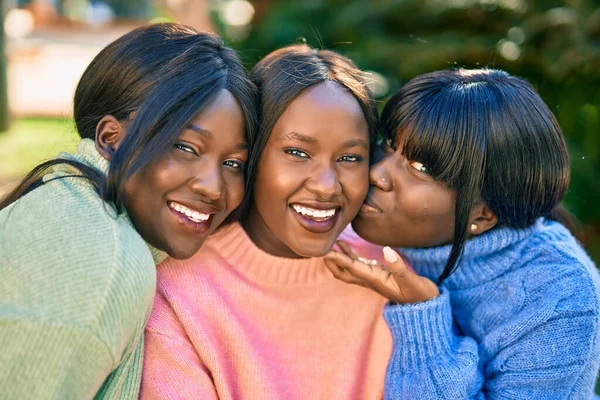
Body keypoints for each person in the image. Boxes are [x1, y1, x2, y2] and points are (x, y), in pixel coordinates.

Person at [0, 23, 257, 399]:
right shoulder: (106, 262)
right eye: (185, 147)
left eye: (234, 164)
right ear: (110, 139)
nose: (213, 187)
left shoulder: (64, 197)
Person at [325, 68, 600, 399]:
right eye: (389, 145)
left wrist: (421, 314)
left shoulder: (560, 300)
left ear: (484, 215)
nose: (377, 173)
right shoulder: (359, 242)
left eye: (422, 168)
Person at [141, 45, 392, 399]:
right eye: (297, 153)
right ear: (252, 155)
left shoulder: (388, 276)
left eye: (350, 158)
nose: (326, 186)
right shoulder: (178, 290)